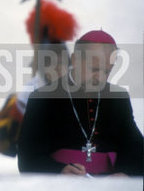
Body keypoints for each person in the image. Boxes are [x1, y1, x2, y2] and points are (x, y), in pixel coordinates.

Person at [18, 30, 143, 176]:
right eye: (94, 69)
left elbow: (137, 150)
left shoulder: (118, 98)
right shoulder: (43, 98)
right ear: (75, 60)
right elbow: (27, 159)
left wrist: (125, 173)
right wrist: (59, 170)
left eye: (107, 71)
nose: (101, 78)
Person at [0, 0, 78, 156]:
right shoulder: (29, 92)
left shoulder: (78, 88)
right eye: (50, 62)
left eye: (61, 62)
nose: (57, 67)